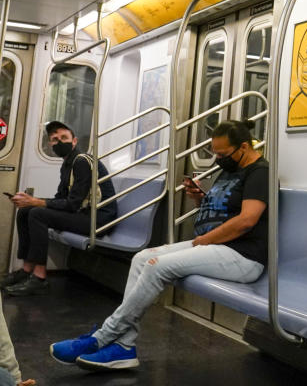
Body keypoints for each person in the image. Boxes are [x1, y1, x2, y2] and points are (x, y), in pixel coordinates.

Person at [49, 119, 268, 371]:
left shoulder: (259, 172)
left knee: (156, 266)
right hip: (214, 246)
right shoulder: (231, 170)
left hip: (242, 255)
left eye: (222, 153)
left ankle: (103, 337)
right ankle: (124, 347)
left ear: (243, 147)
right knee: (142, 257)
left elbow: (246, 220)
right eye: (214, 153)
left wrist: (207, 239)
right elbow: (223, 211)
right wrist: (201, 199)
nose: (218, 159)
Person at [2, 121, 117, 297]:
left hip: (98, 219)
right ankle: (26, 270)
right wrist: (30, 201)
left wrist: (36, 202)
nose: (59, 142)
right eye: (55, 139)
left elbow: (72, 204)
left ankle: (39, 278)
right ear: (51, 145)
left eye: (64, 137)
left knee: (38, 213)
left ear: (75, 141)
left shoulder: (81, 162)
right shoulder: (66, 165)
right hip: (84, 214)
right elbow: (60, 199)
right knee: (26, 211)